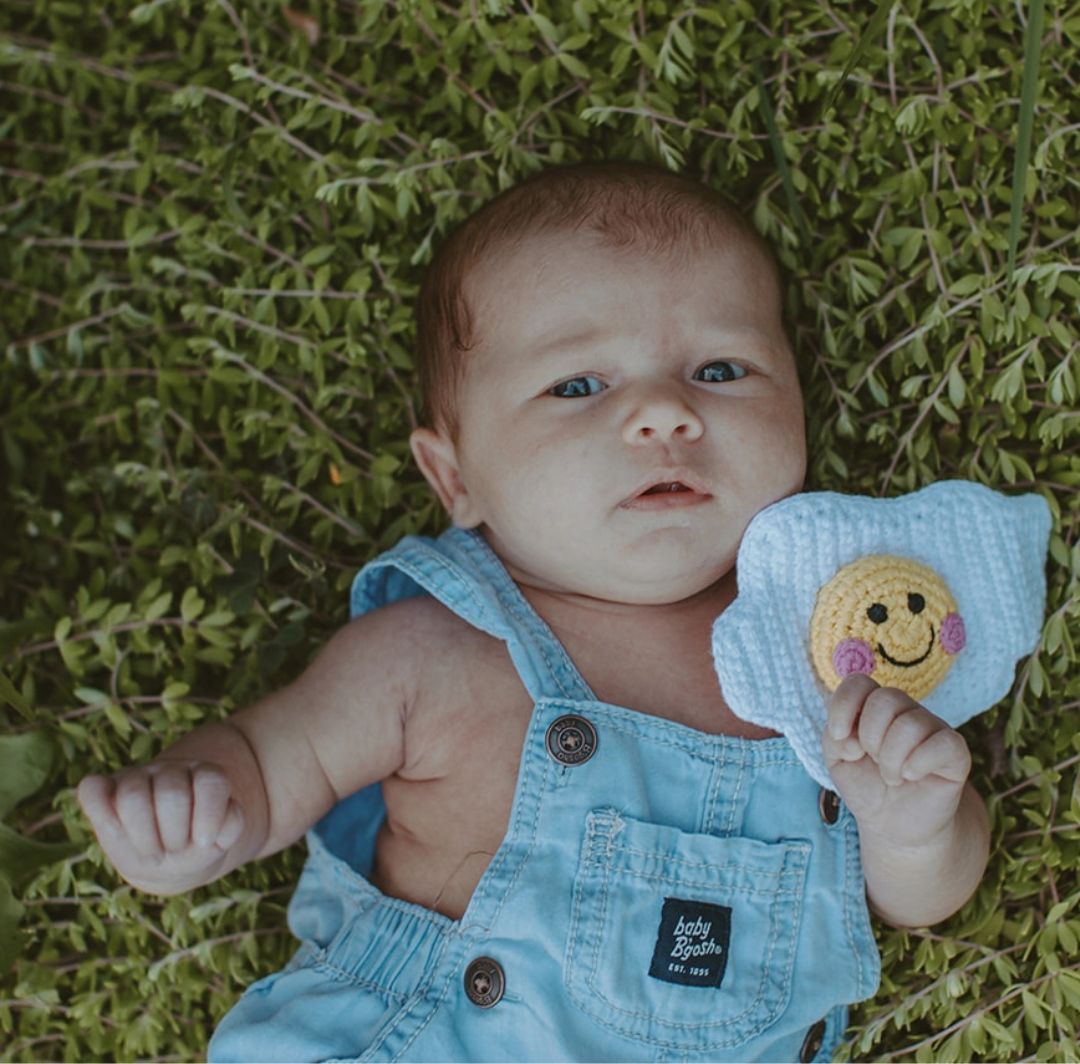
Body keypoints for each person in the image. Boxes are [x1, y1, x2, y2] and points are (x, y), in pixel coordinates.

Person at [77, 160, 990, 1062]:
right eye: (578, 386)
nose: (663, 413)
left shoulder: (825, 665)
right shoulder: (428, 653)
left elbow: (918, 899)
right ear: (455, 478)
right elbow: (267, 768)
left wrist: (914, 828)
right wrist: (194, 814)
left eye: (721, 369)